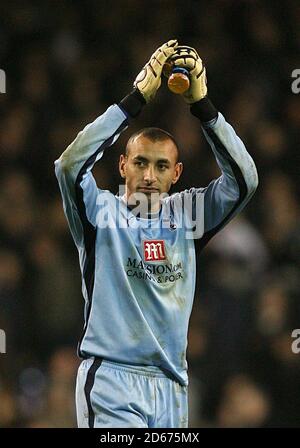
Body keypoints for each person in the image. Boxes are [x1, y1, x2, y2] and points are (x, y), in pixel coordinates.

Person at [55, 40, 258, 428]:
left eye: (161, 166)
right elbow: (69, 165)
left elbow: (245, 181)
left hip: (172, 386)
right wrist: (135, 99)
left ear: (176, 174)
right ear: (122, 166)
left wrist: (203, 107)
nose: (149, 176)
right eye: (140, 163)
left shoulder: (188, 215)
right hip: (112, 382)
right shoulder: (99, 212)